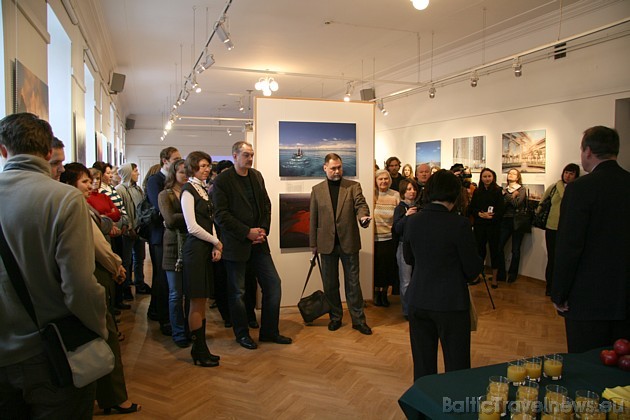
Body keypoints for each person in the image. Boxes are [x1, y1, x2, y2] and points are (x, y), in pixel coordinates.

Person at [0, 112, 107, 417]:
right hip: (51, 351)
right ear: (49, 152)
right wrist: (98, 329)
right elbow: (79, 286)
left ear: (3, 150)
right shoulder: (64, 199)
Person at [60, 162, 140, 415]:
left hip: (94, 271)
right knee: (105, 334)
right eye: (84, 181)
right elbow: (97, 241)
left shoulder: (75, 203)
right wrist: (116, 265)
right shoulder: (74, 205)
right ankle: (113, 396)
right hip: (94, 273)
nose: (91, 185)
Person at [551, 126, 630, 353]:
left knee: (587, 363)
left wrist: (559, 293)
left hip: (588, 296)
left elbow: (569, 246)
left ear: (587, 151)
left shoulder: (580, 189)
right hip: (625, 295)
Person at [403, 170, 482, 380]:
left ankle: (422, 411)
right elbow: (473, 270)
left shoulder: (413, 221)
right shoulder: (460, 224)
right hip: (451, 303)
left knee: (423, 366)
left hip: (418, 299)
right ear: (455, 193)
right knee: (457, 368)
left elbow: (409, 259)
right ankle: (453, 409)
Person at [213, 141, 292, 350]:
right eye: (246, 155)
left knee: (273, 284)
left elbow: (266, 205)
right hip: (236, 244)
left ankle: (269, 331)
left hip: (259, 243)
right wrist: (246, 232)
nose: (250, 158)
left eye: (251, 155)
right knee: (238, 292)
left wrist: (263, 229)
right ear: (235, 155)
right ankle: (242, 334)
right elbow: (221, 215)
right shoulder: (222, 181)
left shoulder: (256, 176)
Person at [309, 153, 372, 335]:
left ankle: (358, 320)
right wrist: (313, 244)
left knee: (353, 284)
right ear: (325, 168)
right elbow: (313, 219)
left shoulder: (353, 187)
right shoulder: (317, 190)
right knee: (330, 284)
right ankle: (335, 317)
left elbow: (361, 205)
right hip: (326, 244)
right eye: (333, 168)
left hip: (349, 242)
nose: (337, 171)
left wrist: (363, 218)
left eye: (339, 167)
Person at [181, 151, 222, 366]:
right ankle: (198, 350)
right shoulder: (188, 190)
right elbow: (192, 227)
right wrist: (215, 242)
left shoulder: (202, 190)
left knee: (202, 301)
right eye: (203, 166)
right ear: (193, 167)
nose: (207, 169)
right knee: (196, 301)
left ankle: (202, 348)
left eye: (208, 165)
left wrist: (215, 244)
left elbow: (210, 221)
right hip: (195, 250)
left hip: (204, 249)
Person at [145, 147, 182, 334]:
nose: (178, 162)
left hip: (170, 234)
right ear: (164, 160)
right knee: (162, 277)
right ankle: (161, 316)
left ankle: (156, 311)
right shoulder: (155, 181)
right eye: (175, 159)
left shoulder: (172, 183)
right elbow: (160, 209)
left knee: (166, 278)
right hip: (159, 235)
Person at [158, 158, 191, 348]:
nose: (185, 175)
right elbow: (169, 220)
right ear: (173, 174)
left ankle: (188, 329)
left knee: (188, 293)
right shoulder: (165, 195)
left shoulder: (191, 192)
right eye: (181, 172)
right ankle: (178, 332)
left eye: (187, 171)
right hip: (173, 248)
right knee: (175, 294)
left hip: (190, 246)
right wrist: (190, 215)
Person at [537, 163, 580, 296]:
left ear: (576, 175)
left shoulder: (577, 188)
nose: (567, 175)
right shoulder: (554, 187)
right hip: (552, 227)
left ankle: (562, 288)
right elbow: (542, 203)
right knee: (552, 258)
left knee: (565, 259)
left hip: (568, 228)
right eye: (566, 172)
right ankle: (550, 287)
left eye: (571, 173)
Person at [116, 163, 149, 312]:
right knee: (127, 260)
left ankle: (139, 282)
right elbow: (121, 210)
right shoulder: (120, 190)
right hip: (128, 231)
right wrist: (129, 227)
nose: (137, 173)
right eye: (135, 171)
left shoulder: (137, 189)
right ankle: (126, 286)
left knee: (140, 257)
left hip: (138, 229)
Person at [469, 168, 504, 288]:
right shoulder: (477, 191)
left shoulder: (498, 191)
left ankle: (494, 278)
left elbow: (501, 210)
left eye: (489, 176)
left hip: (494, 226)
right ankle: (477, 275)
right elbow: (472, 208)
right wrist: (480, 214)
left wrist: (491, 217)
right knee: (479, 251)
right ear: (481, 178)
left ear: (493, 177)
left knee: (495, 251)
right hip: (480, 225)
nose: (487, 178)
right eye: (485, 176)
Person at [392, 178, 419, 318]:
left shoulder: (419, 207)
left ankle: (417, 308)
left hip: (418, 247)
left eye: (414, 188)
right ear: (403, 192)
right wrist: (407, 216)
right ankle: (407, 310)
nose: (412, 192)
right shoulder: (400, 208)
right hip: (404, 246)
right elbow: (396, 228)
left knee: (417, 279)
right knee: (406, 280)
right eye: (408, 189)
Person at [373, 169, 400, 307]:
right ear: (376, 181)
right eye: (380, 179)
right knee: (376, 268)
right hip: (373, 240)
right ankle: (376, 293)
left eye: (386, 179)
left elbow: (399, 216)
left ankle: (384, 293)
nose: (383, 181)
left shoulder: (395, 195)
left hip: (389, 239)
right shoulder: (371, 195)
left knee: (386, 268)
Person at [497, 168, 527, 283]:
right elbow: (502, 205)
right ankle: (501, 273)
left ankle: (512, 274)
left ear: (518, 177)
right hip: (505, 221)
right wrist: (512, 195)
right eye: (509, 173)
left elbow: (516, 204)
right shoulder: (504, 190)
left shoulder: (522, 189)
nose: (511, 175)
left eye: (514, 174)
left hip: (517, 221)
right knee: (499, 247)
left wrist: (508, 196)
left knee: (515, 249)